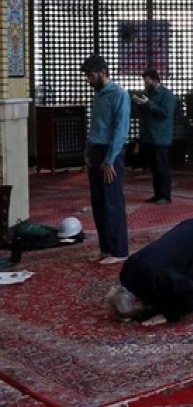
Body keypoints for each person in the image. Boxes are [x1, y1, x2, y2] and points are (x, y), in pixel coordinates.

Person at [81, 54, 131, 266]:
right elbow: (95, 126)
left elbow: (120, 130)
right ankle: (106, 248)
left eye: (91, 76)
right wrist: (87, 152)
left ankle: (120, 250)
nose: (89, 80)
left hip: (111, 154)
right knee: (99, 203)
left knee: (113, 203)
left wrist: (110, 159)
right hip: (96, 152)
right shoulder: (99, 94)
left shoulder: (119, 94)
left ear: (103, 73)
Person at [133, 67, 177, 204]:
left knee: (161, 168)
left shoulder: (167, 95)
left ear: (156, 80)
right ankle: (157, 194)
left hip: (160, 138)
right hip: (149, 137)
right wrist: (140, 104)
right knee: (154, 168)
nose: (146, 85)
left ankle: (165, 195)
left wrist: (148, 104)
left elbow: (165, 113)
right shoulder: (149, 94)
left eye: (148, 82)